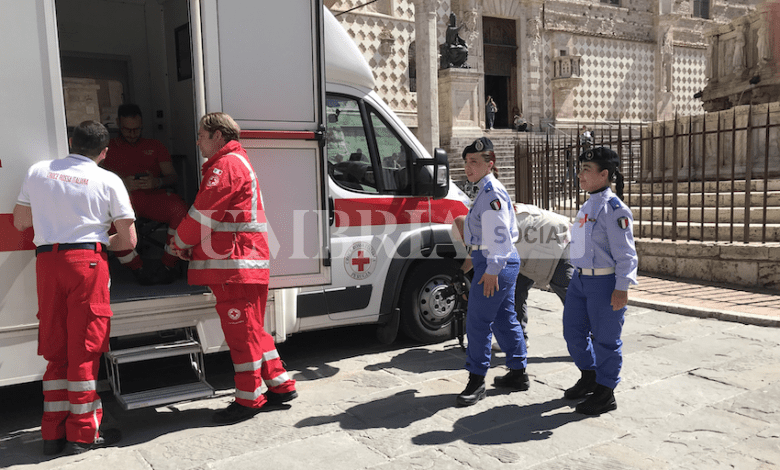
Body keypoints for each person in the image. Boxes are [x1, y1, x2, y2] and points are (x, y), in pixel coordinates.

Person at [13, 121, 136, 456]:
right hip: (86, 264)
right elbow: (128, 240)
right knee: (84, 349)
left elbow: (20, 222)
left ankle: (52, 435)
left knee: (56, 349)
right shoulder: (108, 180)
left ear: (71, 142)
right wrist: (101, 240)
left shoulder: (38, 171)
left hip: (47, 264)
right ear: (105, 151)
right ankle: (82, 434)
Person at [169, 112, 297, 424]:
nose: (197, 140)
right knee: (252, 327)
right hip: (244, 262)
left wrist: (178, 244)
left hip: (234, 265)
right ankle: (280, 385)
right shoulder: (236, 163)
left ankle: (249, 399)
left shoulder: (225, 166)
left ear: (218, 135)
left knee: (241, 334)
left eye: (201, 134)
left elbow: (204, 215)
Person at [562, 146, 638, 416]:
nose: (580, 174)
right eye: (580, 168)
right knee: (572, 331)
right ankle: (589, 375)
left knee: (606, 339)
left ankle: (606, 392)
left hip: (605, 284)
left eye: (586, 170)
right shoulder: (587, 205)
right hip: (581, 281)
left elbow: (627, 254)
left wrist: (622, 288)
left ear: (604, 174)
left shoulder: (615, 209)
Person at [454, 137, 528, 407]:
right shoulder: (484, 190)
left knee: (477, 320)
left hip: (495, 261)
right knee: (503, 318)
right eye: (466, 162)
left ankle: (476, 381)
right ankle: (518, 373)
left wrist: (492, 270)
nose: (468, 166)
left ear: (490, 163)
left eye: (474, 161)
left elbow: (500, 238)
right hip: (493, 260)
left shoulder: (491, 193)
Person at [453, 204, 573, 349]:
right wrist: (462, 271)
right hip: (532, 252)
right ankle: (518, 338)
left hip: (558, 242)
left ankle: (593, 339)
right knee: (516, 291)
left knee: (571, 296)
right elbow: (477, 252)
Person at [102, 103, 188, 285]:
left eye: (137, 129)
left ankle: (168, 265)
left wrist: (157, 182)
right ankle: (137, 268)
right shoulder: (107, 148)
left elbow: (172, 177)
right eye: (127, 129)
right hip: (120, 202)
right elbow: (93, 179)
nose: (133, 134)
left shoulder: (155, 145)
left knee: (180, 210)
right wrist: (121, 182)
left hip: (151, 198)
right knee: (104, 218)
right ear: (118, 123)